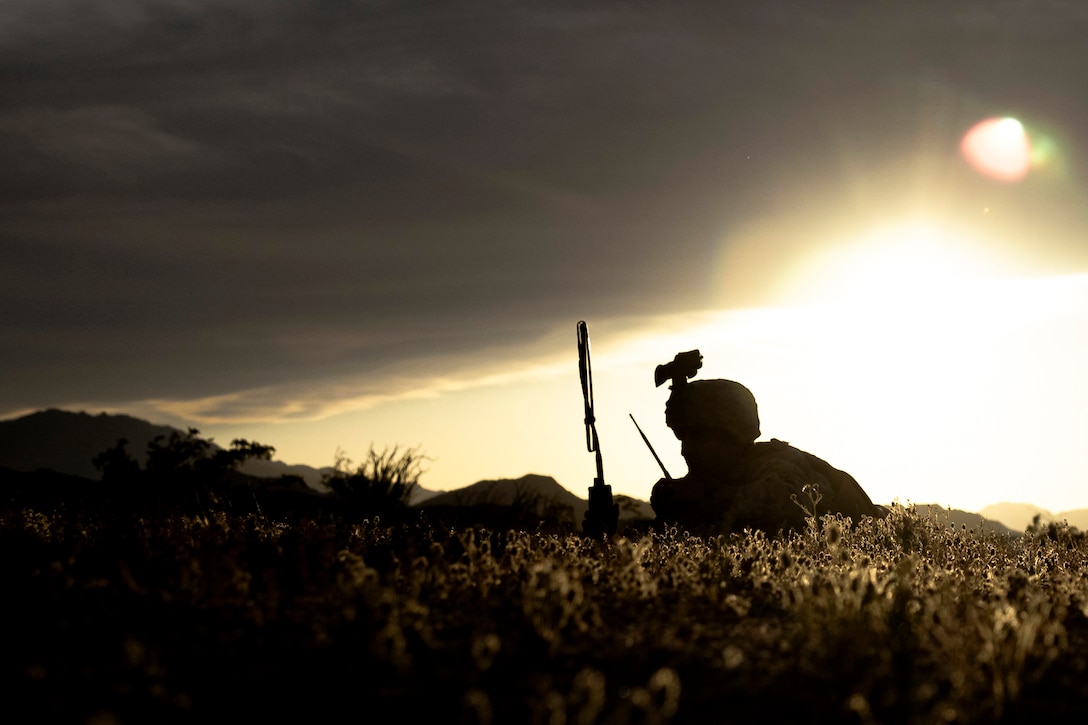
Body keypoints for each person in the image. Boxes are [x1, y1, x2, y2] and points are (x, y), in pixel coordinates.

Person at [648, 351, 887, 535]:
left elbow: (777, 502)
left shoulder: (778, 464)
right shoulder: (720, 476)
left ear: (732, 434)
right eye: (682, 436)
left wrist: (698, 498)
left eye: (699, 436)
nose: (686, 450)